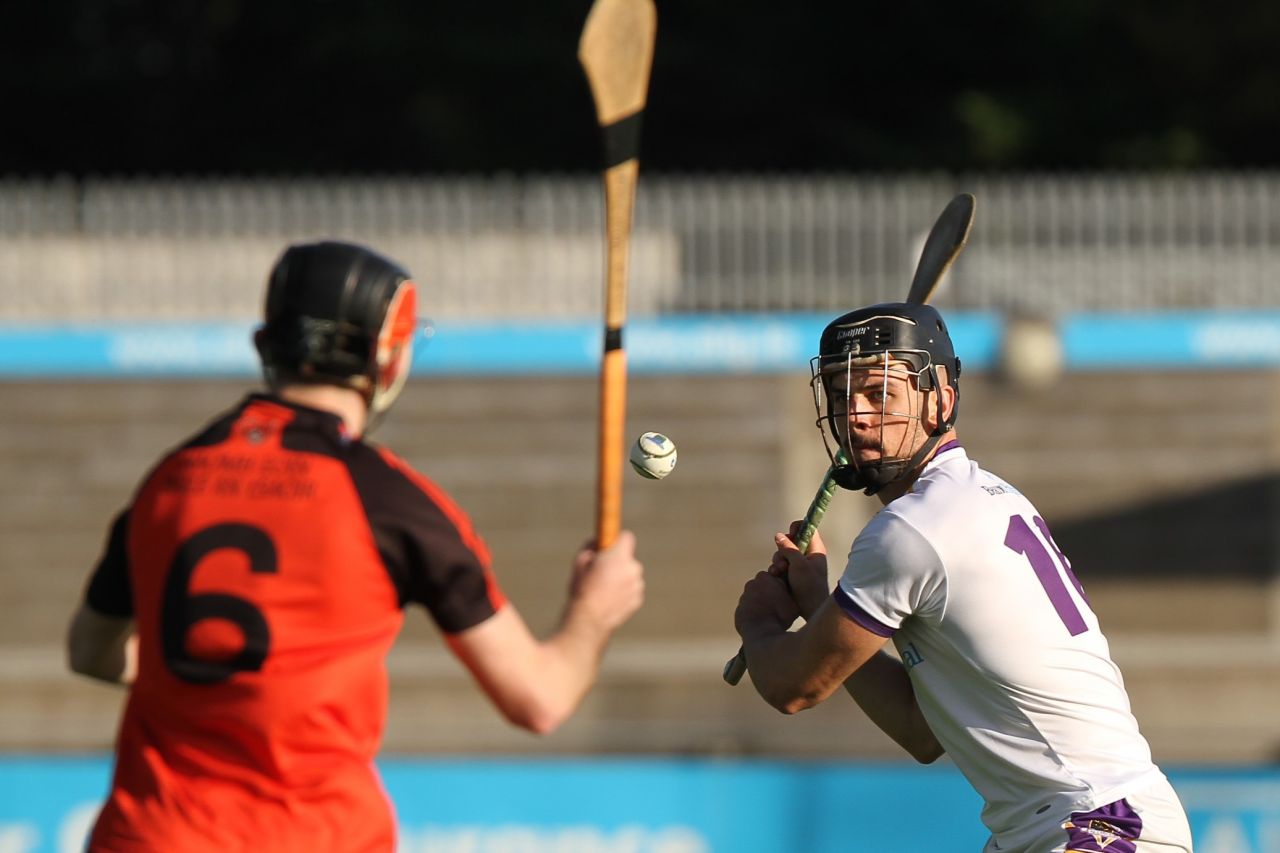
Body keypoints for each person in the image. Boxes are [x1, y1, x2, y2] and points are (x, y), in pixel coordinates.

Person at [66, 239, 645, 852]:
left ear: (269, 343)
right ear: (386, 357)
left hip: (150, 836)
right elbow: (540, 698)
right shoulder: (394, 504)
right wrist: (593, 612)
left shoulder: (169, 479)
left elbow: (90, 652)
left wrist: (209, 693)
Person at [733, 301, 1193, 853]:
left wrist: (758, 626)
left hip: (1095, 824)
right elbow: (920, 729)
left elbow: (795, 687)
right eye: (840, 395)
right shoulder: (973, 499)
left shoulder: (913, 528)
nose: (854, 414)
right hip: (1066, 823)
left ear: (941, 401)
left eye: (880, 394)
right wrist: (816, 600)